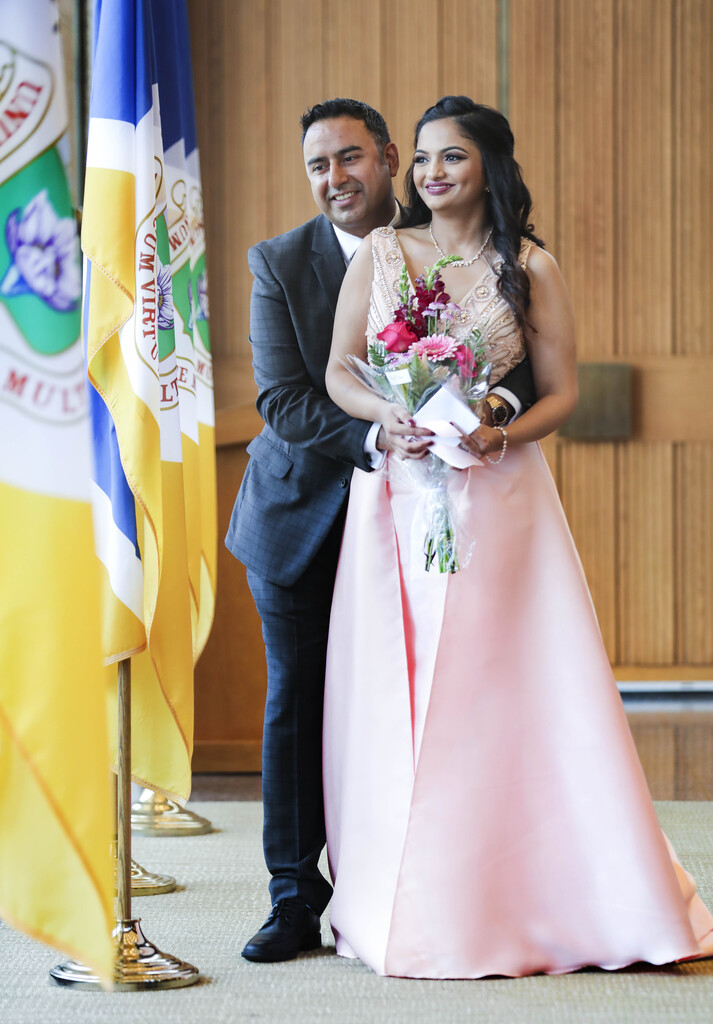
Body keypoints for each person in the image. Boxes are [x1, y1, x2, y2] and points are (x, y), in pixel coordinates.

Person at [323, 95, 713, 979]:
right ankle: (397, 895)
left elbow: (558, 391)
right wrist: (389, 416)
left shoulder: (528, 265)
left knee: (494, 686)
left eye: (451, 157)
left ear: (489, 165)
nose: (431, 174)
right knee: (396, 686)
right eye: (422, 159)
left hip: (496, 499)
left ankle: (523, 893)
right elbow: (340, 368)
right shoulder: (384, 253)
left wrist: (501, 426)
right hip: (396, 499)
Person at [225, 97, 536, 964]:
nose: (336, 179)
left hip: (417, 532)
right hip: (298, 520)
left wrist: (484, 408)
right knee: (296, 705)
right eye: (318, 165)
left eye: (351, 159)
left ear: (390, 157)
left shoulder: (434, 240)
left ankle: (402, 883)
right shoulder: (279, 262)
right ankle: (293, 898)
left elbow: (524, 362)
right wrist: (378, 433)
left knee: (405, 710)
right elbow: (285, 400)